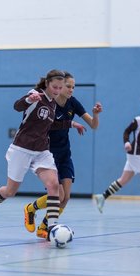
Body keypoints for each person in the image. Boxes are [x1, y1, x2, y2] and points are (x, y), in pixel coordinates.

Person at [0, 69, 84, 238]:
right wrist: (28, 99)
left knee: (54, 185)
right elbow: (17, 106)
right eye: (54, 87)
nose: (57, 91)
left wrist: (71, 124)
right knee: (10, 191)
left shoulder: (53, 104)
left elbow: (49, 126)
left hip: (41, 151)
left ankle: (52, 227)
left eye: (59, 88)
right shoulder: (36, 95)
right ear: (47, 84)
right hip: (21, 149)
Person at [24, 71, 103, 239]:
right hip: (48, 154)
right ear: (59, 87)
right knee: (58, 195)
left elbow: (94, 125)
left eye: (73, 87)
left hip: (65, 154)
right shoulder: (49, 104)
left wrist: (95, 114)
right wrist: (72, 124)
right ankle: (31, 208)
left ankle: (43, 227)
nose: (71, 89)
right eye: (68, 86)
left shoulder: (73, 103)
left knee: (66, 197)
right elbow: (50, 125)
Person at [95, 99, 140, 215]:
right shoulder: (138, 120)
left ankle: (102, 196)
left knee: (123, 180)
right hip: (136, 153)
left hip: (138, 155)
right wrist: (126, 142)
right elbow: (126, 131)